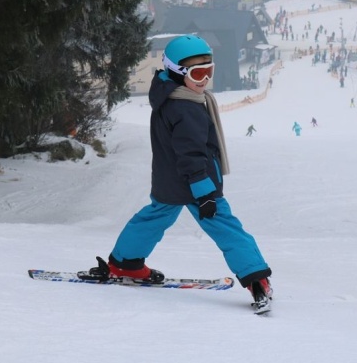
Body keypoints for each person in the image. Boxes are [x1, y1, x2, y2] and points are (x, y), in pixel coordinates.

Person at [84, 35, 272, 306]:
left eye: (209, 71)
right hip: (197, 183)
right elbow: (192, 154)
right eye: (197, 73)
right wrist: (205, 192)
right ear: (176, 71)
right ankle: (256, 277)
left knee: (152, 219)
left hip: (168, 180)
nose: (204, 79)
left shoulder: (167, 95)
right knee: (226, 228)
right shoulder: (187, 108)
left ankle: (125, 263)